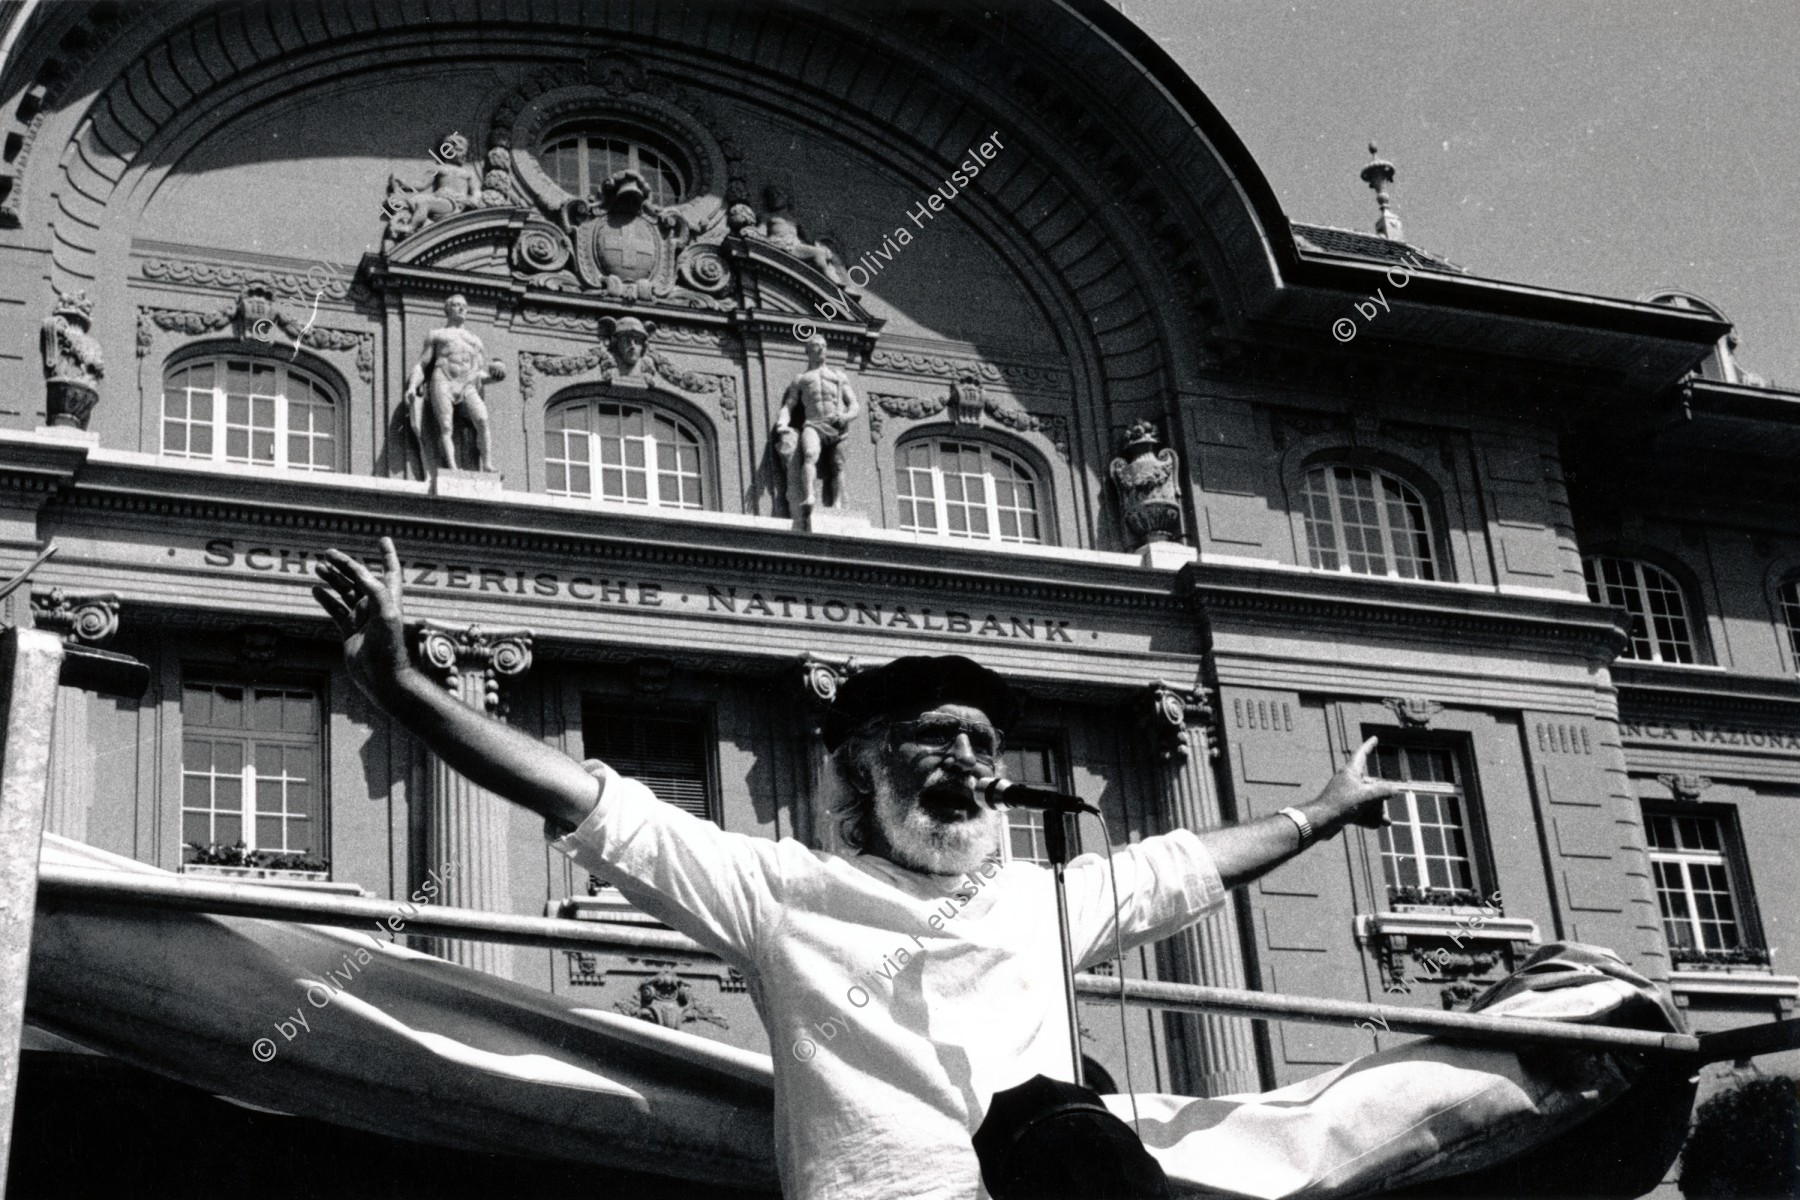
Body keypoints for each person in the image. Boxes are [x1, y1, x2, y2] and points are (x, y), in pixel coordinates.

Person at [311, 539, 1399, 1200]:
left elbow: (1190, 863)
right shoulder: (783, 893)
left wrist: (1320, 810)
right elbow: (576, 794)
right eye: (938, 740)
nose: (970, 764)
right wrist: (406, 691)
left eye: (986, 746)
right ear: (868, 767)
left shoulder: (1049, 897)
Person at [403, 293, 505, 474]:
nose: (462, 309)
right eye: (457, 305)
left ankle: (487, 464)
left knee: (482, 419)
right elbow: (422, 364)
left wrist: (495, 377)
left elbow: (479, 373)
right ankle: (452, 467)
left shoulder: (475, 341)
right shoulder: (437, 335)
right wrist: (412, 387)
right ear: (447, 309)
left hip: (467, 383)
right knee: (446, 426)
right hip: (443, 380)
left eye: (464, 306)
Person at [778, 334, 861, 513]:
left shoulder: (838, 376)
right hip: (813, 424)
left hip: (837, 425)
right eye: (817, 345)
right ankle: (809, 496)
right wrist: (782, 423)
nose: (822, 348)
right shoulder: (801, 379)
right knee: (809, 454)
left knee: (838, 465)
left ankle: (838, 503)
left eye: (824, 345)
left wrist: (846, 417)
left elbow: (854, 404)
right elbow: (789, 405)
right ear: (808, 351)